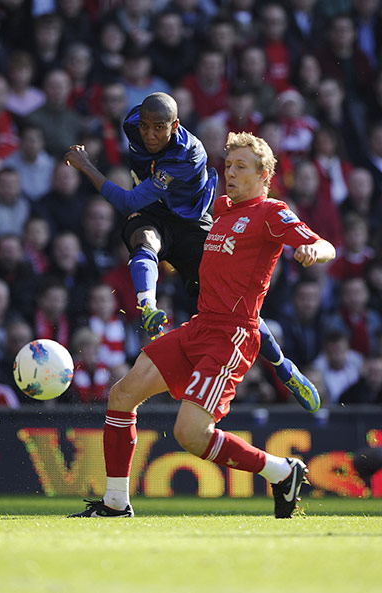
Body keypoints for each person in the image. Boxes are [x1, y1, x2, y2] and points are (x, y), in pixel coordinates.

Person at [68, 130, 335, 520]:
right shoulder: (222, 208)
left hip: (231, 337)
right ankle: (114, 503)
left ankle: (281, 471)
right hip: (199, 327)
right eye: (228, 166)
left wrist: (313, 249)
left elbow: (324, 244)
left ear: (265, 175)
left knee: (190, 435)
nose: (231, 173)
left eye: (241, 167)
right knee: (122, 396)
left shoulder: (272, 212)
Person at [64, 91, 322, 410]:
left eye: (159, 127)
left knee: (234, 309)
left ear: (175, 126)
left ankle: (285, 369)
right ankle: (148, 306)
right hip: (153, 209)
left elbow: (127, 201)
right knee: (143, 238)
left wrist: (86, 165)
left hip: (190, 224)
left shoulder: (186, 156)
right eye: (145, 127)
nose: (150, 134)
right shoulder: (132, 122)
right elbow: (136, 200)